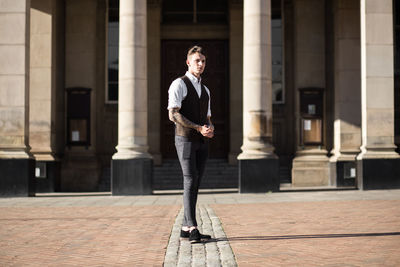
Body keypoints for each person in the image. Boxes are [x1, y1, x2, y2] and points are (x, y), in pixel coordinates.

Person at [167, 46, 214, 243]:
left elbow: (208, 116)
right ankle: (193, 226)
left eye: (203, 60)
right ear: (188, 62)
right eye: (197, 60)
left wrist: (210, 128)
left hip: (202, 141)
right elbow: (173, 114)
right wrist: (197, 127)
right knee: (189, 180)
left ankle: (186, 228)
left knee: (195, 183)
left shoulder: (206, 89)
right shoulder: (179, 84)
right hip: (185, 139)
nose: (200, 64)